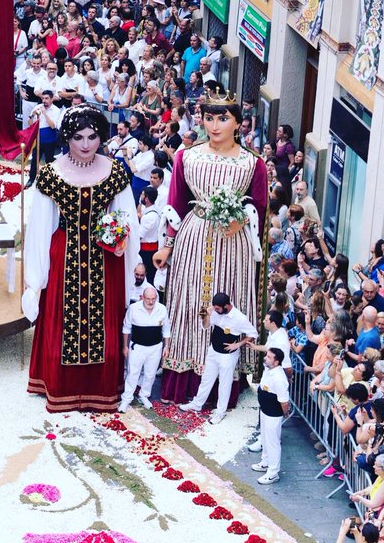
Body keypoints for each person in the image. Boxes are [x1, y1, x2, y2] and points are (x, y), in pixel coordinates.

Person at [154, 84, 268, 409]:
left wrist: (241, 221)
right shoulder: (186, 157)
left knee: (227, 303)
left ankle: (225, 383)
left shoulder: (252, 164)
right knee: (189, 301)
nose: (215, 125)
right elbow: (175, 203)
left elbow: (258, 205)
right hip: (194, 235)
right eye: (209, 118)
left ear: (238, 122)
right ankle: (184, 374)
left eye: (223, 118)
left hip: (233, 243)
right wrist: (166, 246)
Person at [23, 105, 138, 413]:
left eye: (92, 137)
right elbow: (39, 227)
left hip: (105, 256)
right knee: (62, 318)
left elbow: (126, 216)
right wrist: (36, 280)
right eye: (78, 137)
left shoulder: (114, 171)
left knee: (103, 319)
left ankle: (100, 389)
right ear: (66, 138)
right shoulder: (50, 174)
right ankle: (60, 386)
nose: (86, 144)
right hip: (64, 255)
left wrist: (122, 240)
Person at [178, 292, 258, 424]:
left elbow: (253, 333)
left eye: (218, 308)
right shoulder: (215, 311)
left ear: (227, 306)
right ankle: (197, 404)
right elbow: (205, 326)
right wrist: (207, 314)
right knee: (206, 379)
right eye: (214, 308)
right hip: (213, 351)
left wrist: (238, 344)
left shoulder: (239, 318)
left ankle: (220, 412)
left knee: (224, 384)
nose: (215, 310)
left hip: (228, 357)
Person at [120, 286, 168, 411]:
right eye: (148, 299)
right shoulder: (133, 308)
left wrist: (166, 346)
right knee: (133, 373)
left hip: (155, 347)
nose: (151, 302)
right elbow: (126, 328)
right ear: (142, 297)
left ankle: (144, 395)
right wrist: (125, 346)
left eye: (153, 299)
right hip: (137, 347)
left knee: (150, 374)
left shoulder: (162, 309)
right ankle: (126, 399)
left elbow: (166, 330)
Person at [252, 347, 290, 484]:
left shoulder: (279, 378)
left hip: (273, 413)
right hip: (265, 409)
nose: (265, 358)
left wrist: (285, 413)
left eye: (268, 357)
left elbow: (284, 401)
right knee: (265, 437)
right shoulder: (269, 369)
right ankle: (265, 461)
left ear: (276, 362)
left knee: (273, 442)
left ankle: (273, 472)